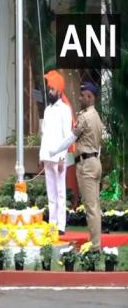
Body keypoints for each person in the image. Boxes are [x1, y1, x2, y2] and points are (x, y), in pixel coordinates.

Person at [51, 81, 104, 251]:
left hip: (87, 165)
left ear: (90, 97)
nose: (80, 98)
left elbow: (70, 139)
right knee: (94, 205)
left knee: (91, 207)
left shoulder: (85, 117)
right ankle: (94, 242)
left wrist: (53, 151)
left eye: (82, 95)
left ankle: (95, 246)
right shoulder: (96, 116)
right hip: (95, 161)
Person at [40, 72, 73, 235]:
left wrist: (62, 158)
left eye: (51, 89)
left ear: (59, 91)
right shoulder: (47, 110)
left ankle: (61, 225)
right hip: (47, 157)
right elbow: (44, 135)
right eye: (49, 89)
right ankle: (52, 223)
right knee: (51, 192)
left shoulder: (65, 110)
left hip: (58, 158)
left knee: (60, 192)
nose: (49, 91)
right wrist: (41, 156)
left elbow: (67, 136)